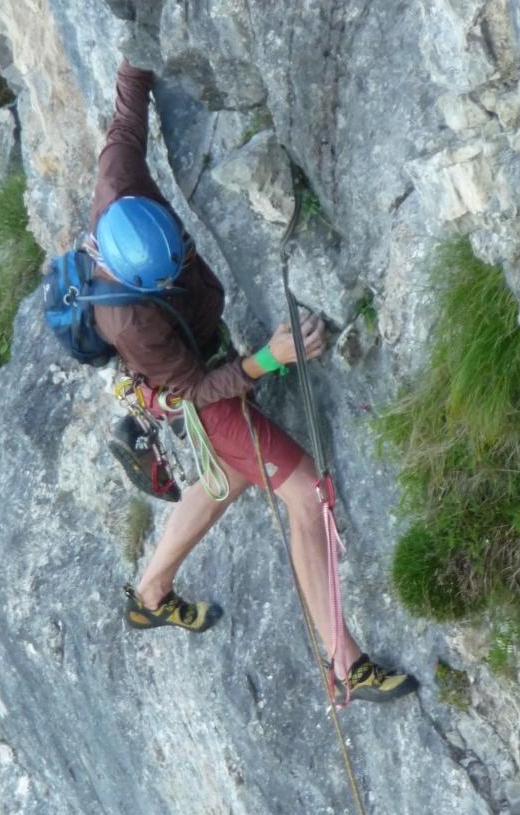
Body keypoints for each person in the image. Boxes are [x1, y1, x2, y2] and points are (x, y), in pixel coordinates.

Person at [89, 60, 416, 703]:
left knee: (232, 474)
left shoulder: (120, 186)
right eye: (166, 277)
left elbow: (125, 120)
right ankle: (345, 664)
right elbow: (195, 392)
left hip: (201, 366)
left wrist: (136, 61)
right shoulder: (131, 321)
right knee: (306, 492)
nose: (177, 272)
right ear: (133, 279)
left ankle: (151, 592)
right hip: (200, 396)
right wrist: (271, 358)